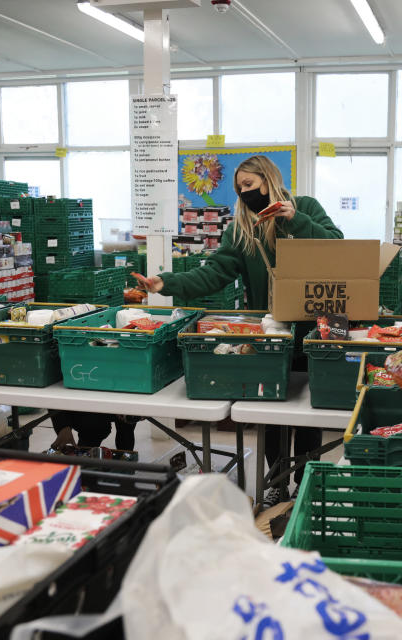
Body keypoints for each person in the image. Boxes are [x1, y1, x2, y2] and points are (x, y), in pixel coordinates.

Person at [141, 154, 344, 506]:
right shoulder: (241, 228)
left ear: (268, 179)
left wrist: (295, 219)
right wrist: (166, 282)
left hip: (314, 328)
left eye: (249, 185)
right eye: (240, 189)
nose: (245, 193)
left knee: (308, 415)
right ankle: (277, 480)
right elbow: (215, 272)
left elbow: (337, 247)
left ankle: (305, 480)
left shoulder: (305, 207)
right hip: (269, 333)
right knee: (271, 410)